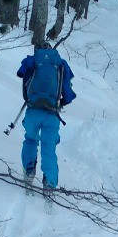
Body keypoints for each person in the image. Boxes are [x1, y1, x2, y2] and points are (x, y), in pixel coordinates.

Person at [16, 40, 76, 189]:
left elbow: (23, 84)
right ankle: (49, 183)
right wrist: (59, 103)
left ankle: (29, 172)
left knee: (30, 140)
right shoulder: (61, 64)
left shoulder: (31, 61)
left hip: (33, 111)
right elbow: (68, 94)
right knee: (49, 148)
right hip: (51, 114)